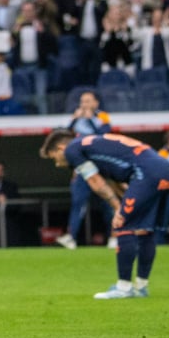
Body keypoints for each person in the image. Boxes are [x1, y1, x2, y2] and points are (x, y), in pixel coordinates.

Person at [40, 129, 169, 299]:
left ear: (60, 148)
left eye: (54, 158)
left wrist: (118, 207)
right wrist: (123, 202)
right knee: (144, 230)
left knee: (122, 225)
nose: (58, 164)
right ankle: (141, 287)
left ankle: (124, 287)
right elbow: (113, 181)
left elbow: (95, 182)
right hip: (164, 170)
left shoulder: (72, 150)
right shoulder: (94, 147)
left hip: (146, 173)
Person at [58, 90, 115, 250]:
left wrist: (90, 120)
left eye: (88, 101)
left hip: (100, 166)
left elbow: (103, 137)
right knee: (78, 202)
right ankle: (72, 237)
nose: (85, 105)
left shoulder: (102, 117)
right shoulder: (77, 119)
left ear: (96, 103)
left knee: (107, 202)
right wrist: (74, 120)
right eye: (82, 102)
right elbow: (64, 135)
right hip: (82, 166)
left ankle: (113, 236)